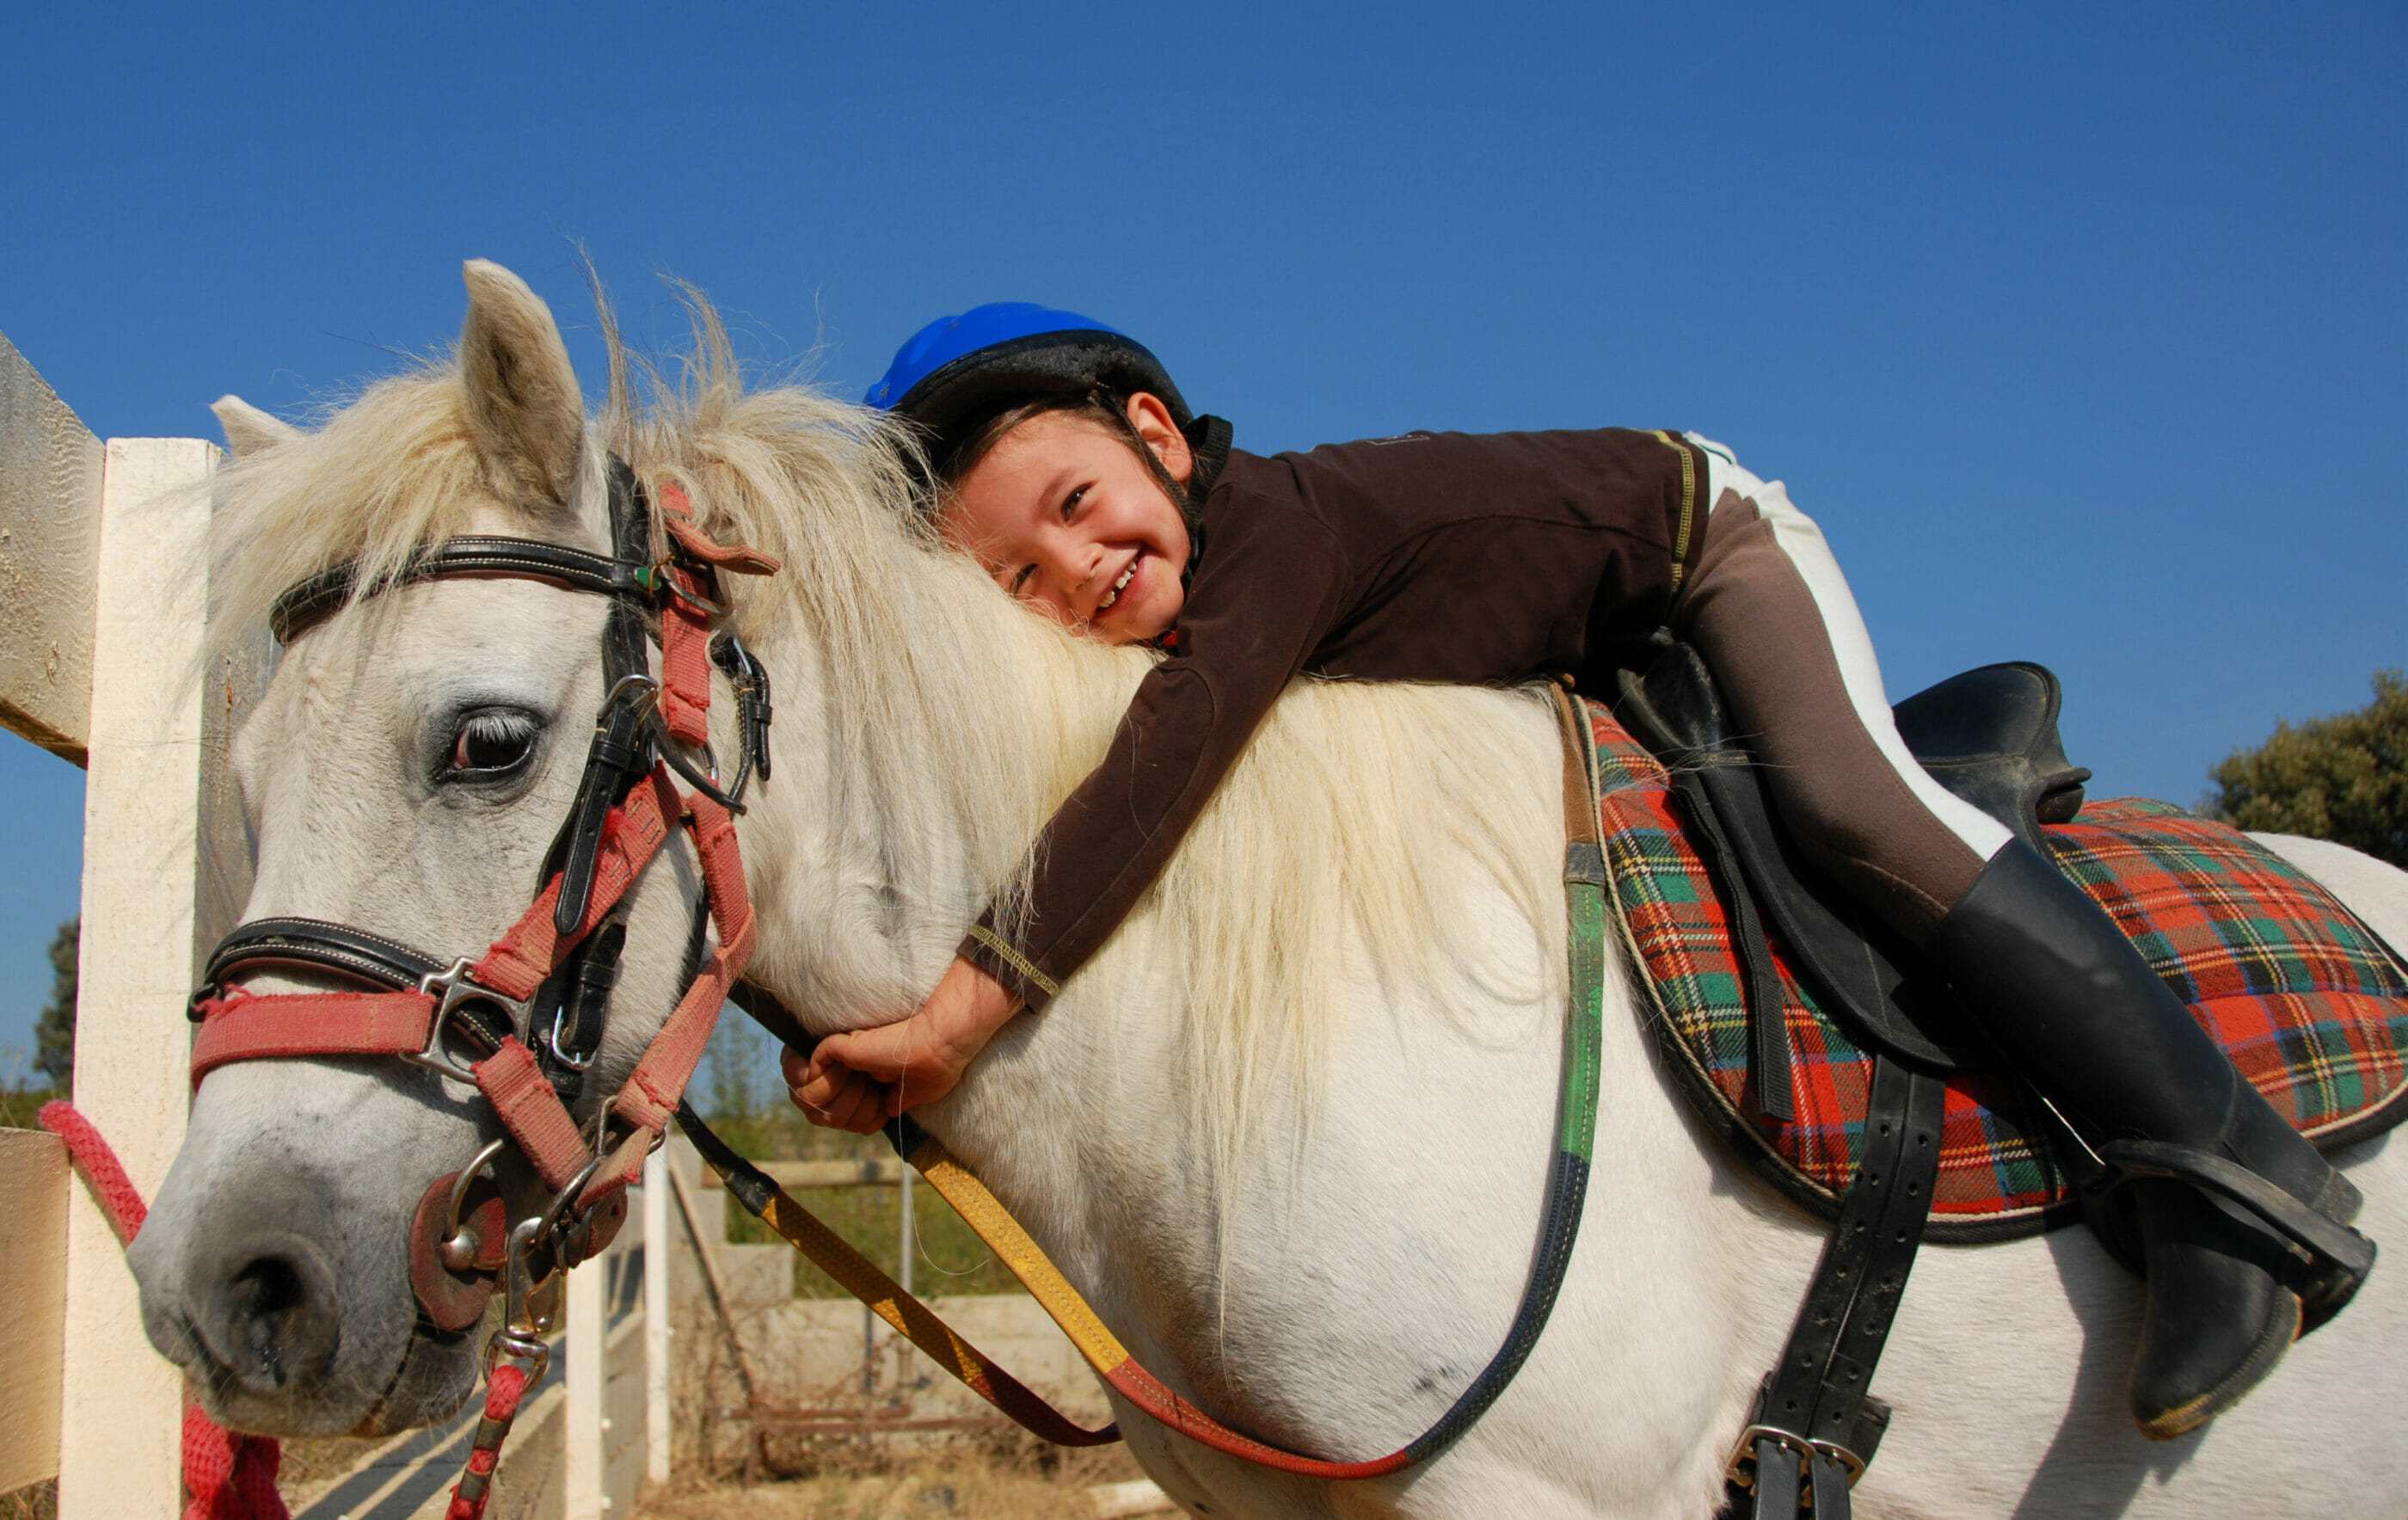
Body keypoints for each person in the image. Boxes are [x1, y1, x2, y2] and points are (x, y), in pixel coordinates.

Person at [783, 302, 2369, 1437]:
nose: (1082, 569)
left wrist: (953, 1021)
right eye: (1024, 580)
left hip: (1706, 547)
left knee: (1852, 811)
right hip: (1587, 644)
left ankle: (2235, 1187)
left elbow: (1159, 776)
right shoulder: (1210, 584)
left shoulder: (1275, 537)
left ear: (1156, 436)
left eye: (1078, 506)